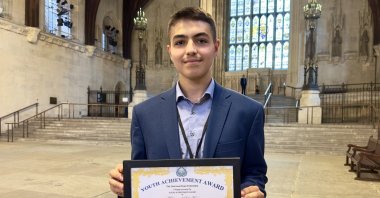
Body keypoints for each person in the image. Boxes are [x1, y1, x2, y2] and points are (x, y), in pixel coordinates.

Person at [109, 7, 267, 198]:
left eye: (201, 41)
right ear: (170, 51)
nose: (191, 50)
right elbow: (141, 177)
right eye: (180, 42)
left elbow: (254, 172)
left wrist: (253, 190)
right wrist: (124, 185)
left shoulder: (249, 112)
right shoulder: (144, 114)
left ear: (216, 47)